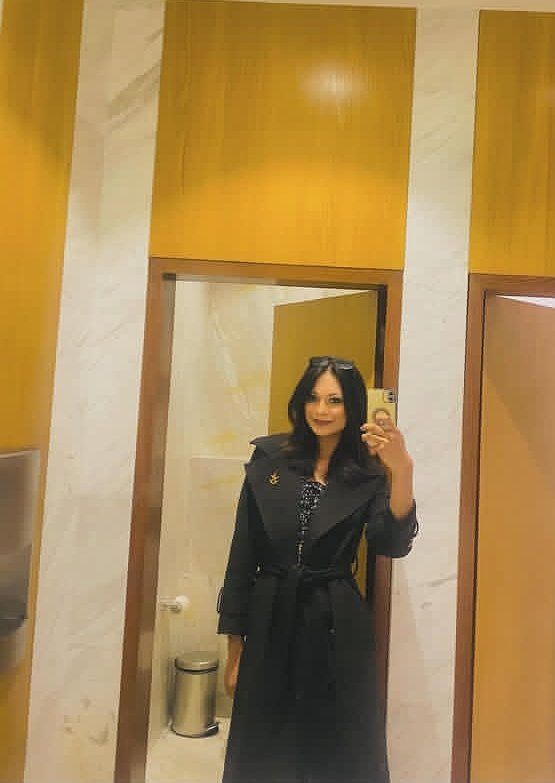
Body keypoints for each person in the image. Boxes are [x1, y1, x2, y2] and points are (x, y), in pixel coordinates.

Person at [217, 356, 418, 783]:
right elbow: (241, 556)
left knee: (336, 746)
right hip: (270, 615)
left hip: (336, 624)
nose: (321, 410)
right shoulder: (268, 459)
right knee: (263, 748)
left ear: (353, 408)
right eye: (313, 398)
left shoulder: (368, 473)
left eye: (334, 400)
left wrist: (401, 470)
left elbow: (390, 543)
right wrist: (235, 649)